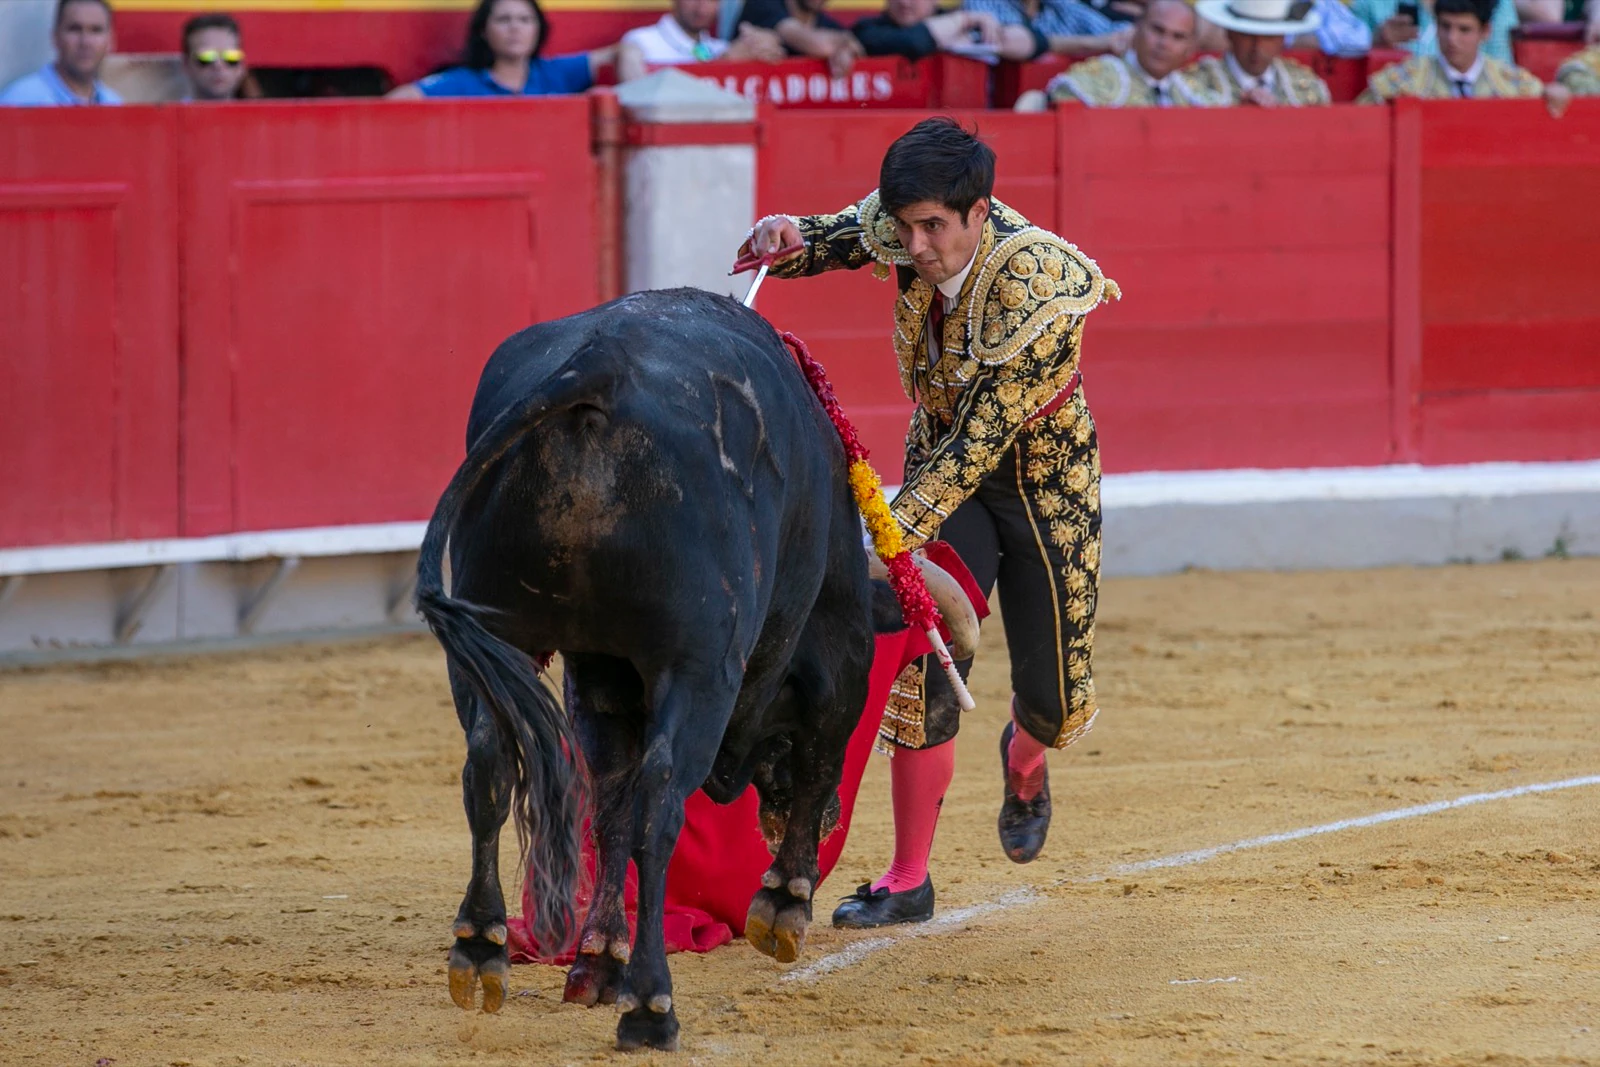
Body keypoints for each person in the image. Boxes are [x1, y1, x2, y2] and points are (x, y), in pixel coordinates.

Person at [738, 118, 1119, 927]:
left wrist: (883, 530)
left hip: (1045, 487)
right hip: (952, 479)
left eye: (933, 227)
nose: (914, 245)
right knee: (926, 652)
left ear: (980, 212)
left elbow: (981, 444)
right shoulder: (910, 225)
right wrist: (790, 237)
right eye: (906, 226)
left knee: (1053, 701)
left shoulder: (1037, 284)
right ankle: (909, 877)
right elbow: (848, 233)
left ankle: (1025, 757)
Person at [1357, 0, 1572, 113]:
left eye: (1464, 30)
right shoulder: (1397, 82)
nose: (1452, 39)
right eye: (1445, 27)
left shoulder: (1517, 85)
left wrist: (1553, 93)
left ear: (1485, 31)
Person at [387, 0, 614, 99]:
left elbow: (619, 52)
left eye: (525, 20)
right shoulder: (463, 82)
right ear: (484, 31)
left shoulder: (555, 72)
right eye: (504, 20)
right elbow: (399, 100)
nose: (515, 27)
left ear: (538, 30)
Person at [1040, 0, 1197, 106]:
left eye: (1178, 36)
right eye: (1157, 30)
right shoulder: (1099, 77)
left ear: (1189, 48)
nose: (1164, 44)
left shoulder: (1194, 93)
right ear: (1136, 28)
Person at [1183, 0, 1332, 105]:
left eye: (1268, 37)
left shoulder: (1308, 86)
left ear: (1282, 38)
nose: (1257, 47)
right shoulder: (1193, 84)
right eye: (1247, 36)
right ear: (1230, 33)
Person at [617, 0, 783, 81]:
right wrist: (725, 64)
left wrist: (766, 45)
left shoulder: (720, 47)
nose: (703, 7)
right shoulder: (641, 42)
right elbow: (642, 104)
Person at [0, 0, 121, 106]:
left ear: (110, 41)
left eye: (96, 30)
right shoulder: (20, 101)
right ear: (55, 37)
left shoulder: (113, 104)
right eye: (75, 29)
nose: (85, 42)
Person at [852, 0, 1044, 60]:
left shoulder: (970, 23)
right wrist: (963, 20)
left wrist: (996, 38)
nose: (904, 2)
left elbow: (1037, 43)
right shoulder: (867, 28)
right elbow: (911, 42)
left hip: (960, 130)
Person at [1350, 0, 1518, 63]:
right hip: (1401, 110)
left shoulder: (1498, 4)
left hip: (1474, 110)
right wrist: (1375, 43)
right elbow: (1343, 75)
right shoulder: (1370, 4)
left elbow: (1501, 72)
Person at [734, 0, 864, 79]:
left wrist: (846, 50)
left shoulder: (829, 25)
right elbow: (819, 44)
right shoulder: (763, 5)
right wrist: (845, 41)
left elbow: (857, 50)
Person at [961, 0, 1136, 57]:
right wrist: (1090, 43)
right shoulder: (984, 3)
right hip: (995, 114)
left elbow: (1120, 32)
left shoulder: (1060, 5)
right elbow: (1008, 40)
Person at [180, 12, 250, 101]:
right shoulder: (169, 114)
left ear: (242, 65)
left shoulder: (262, 115)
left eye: (230, 56)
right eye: (206, 56)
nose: (218, 65)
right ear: (186, 65)